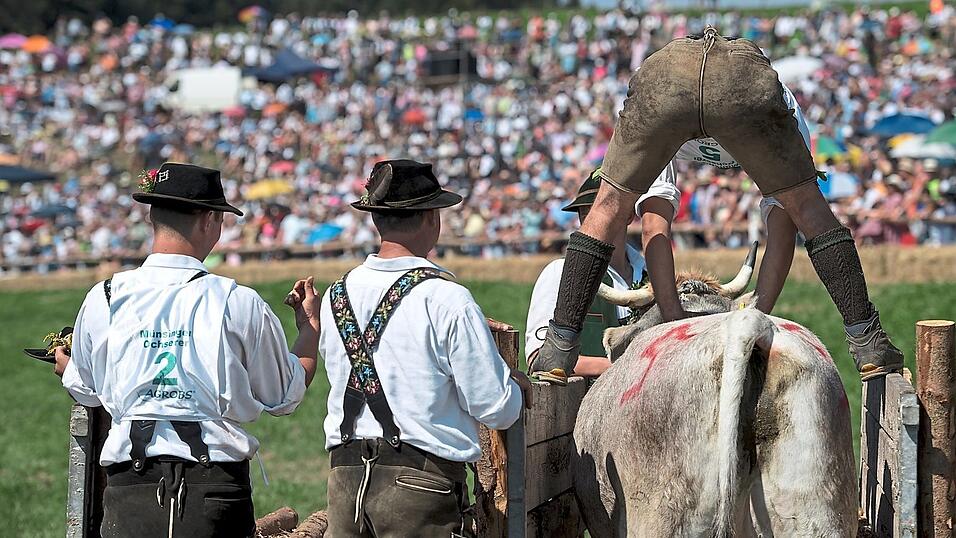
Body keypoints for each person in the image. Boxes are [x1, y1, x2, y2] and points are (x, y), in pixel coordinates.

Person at [532, 27, 903, 383]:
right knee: (810, 208)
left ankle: (559, 347)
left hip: (666, 81)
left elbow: (653, 224)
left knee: (608, 205)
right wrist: (758, 312)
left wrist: (671, 316)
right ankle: (867, 342)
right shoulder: (786, 104)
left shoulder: (663, 96)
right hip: (740, 83)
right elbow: (786, 222)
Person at [54, 162, 319, 538]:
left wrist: (66, 368)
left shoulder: (105, 296)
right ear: (209, 220)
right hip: (213, 488)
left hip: (131, 487)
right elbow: (283, 396)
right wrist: (309, 329)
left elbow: (85, 388)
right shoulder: (237, 301)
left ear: (152, 217)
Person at [319, 159, 531, 537]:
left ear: (376, 219)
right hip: (420, 485)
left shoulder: (336, 294)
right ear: (433, 217)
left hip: (346, 481)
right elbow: (495, 407)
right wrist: (514, 385)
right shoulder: (446, 298)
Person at [641, 82, 811, 315]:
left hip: (757, 122)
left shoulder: (779, 105)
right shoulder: (658, 103)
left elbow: (786, 218)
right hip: (676, 115)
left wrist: (754, 315)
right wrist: (672, 313)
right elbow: (653, 224)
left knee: (813, 218)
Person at [526, 167, 658, 380]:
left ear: (629, 216)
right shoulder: (560, 273)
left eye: (605, 209)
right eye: (586, 214)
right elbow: (538, 358)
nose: (595, 221)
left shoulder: (651, 275)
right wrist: (629, 368)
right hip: (581, 406)